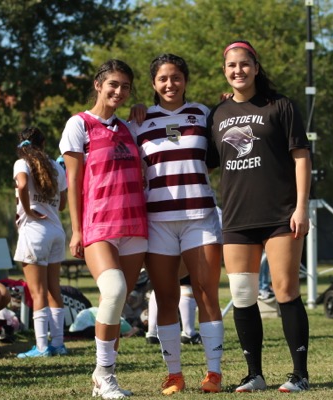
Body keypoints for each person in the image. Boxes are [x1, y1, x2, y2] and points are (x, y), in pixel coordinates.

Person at [207, 40, 312, 393]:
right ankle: (255, 374)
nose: (238, 71)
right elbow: (198, 154)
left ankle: (300, 374)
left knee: (285, 290)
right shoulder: (217, 114)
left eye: (244, 64)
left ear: (255, 66)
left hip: (282, 214)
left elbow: (301, 156)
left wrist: (301, 207)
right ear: (225, 70)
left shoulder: (280, 105)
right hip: (237, 218)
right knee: (242, 294)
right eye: (231, 66)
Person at [132, 53, 224, 395]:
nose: (170, 84)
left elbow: (213, 159)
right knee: (167, 297)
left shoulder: (204, 114)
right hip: (157, 221)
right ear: (153, 83)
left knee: (205, 294)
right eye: (162, 79)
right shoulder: (139, 120)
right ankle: (174, 374)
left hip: (200, 217)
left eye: (176, 77)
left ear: (185, 79)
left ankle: (213, 373)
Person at [59, 59, 148, 399]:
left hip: (135, 224)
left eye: (125, 86)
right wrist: (76, 229)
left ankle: (106, 376)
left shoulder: (130, 126)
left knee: (119, 301)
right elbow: (73, 181)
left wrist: (144, 110)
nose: (119, 91)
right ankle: (103, 375)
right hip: (98, 224)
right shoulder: (78, 125)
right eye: (113, 84)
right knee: (112, 290)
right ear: (98, 85)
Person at [13, 126, 68, 357]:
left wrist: (28, 210)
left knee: (37, 292)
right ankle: (58, 344)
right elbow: (63, 205)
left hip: (35, 232)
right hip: (56, 231)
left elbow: (23, 185)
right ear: (44, 144)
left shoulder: (21, 164)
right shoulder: (56, 167)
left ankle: (42, 347)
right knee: (54, 290)